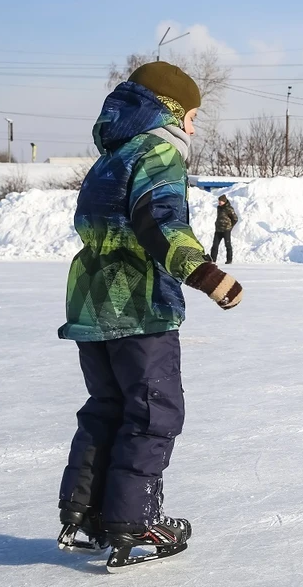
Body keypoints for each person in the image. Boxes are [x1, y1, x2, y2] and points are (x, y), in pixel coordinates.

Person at [56, 61, 244, 570]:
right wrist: (207, 275)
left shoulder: (110, 158)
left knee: (106, 407)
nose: (194, 127)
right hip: (138, 308)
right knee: (152, 412)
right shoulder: (158, 152)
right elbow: (159, 224)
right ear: (169, 110)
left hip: (92, 307)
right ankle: (133, 524)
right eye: (192, 116)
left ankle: (83, 514)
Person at [211, 194, 238, 264]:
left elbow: (235, 219)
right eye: (219, 201)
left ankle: (229, 260)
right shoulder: (219, 208)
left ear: (224, 201)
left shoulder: (229, 208)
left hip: (226, 230)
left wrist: (230, 226)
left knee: (227, 245)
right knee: (215, 245)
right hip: (218, 230)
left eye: (221, 201)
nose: (219, 202)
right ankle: (213, 259)